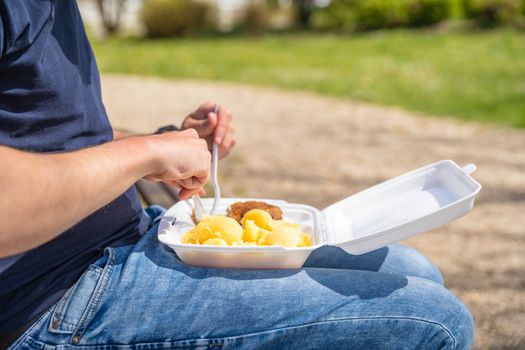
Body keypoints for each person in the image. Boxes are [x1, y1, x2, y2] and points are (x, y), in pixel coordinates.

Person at [0, 1, 474, 349]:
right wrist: (145, 154)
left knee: (413, 269)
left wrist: (167, 145)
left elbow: (53, 140)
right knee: (436, 323)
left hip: (126, 241)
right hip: (51, 302)